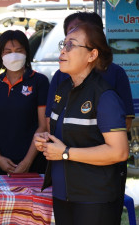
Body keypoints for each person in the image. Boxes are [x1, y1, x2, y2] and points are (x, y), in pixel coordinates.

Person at [35, 22, 129, 225]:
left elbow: (119, 152)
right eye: (63, 43)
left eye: (71, 45)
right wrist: (44, 140)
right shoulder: (62, 89)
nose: (62, 50)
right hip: (63, 194)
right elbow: (62, 135)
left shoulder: (104, 96)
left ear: (92, 55)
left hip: (94, 199)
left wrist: (66, 152)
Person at [0, 30, 49, 175]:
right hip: (0, 162)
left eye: (19, 50)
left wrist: (27, 161)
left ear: (26, 52)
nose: (14, 55)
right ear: (0, 54)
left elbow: (43, 125)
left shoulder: (40, 82)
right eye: (8, 51)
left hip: (34, 162)